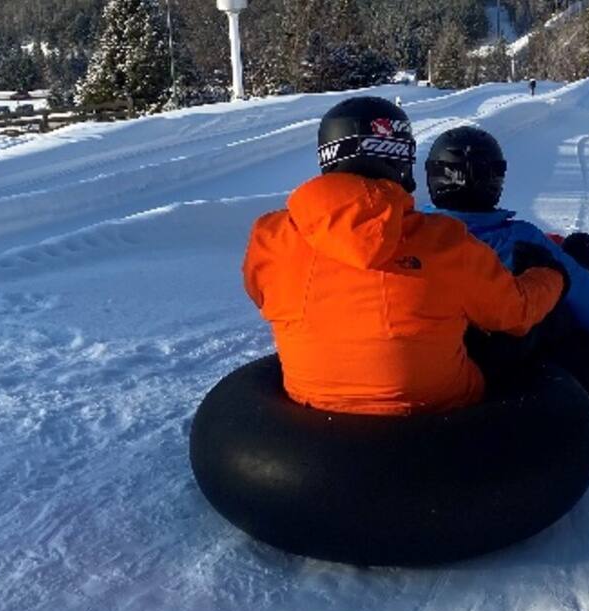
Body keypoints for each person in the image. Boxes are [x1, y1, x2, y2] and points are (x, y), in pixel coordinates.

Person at [242, 97, 568, 416]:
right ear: (399, 158)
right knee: (520, 335)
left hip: (311, 407)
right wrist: (550, 274)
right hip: (436, 412)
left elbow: (261, 295)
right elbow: (516, 312)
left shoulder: (269, 235)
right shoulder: (444, 240)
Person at [425, 125, 589, 403]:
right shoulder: (525, 241)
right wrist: (571, 265)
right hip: (509, 382)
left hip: (425, 372)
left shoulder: (408, 232)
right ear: (496, 179)